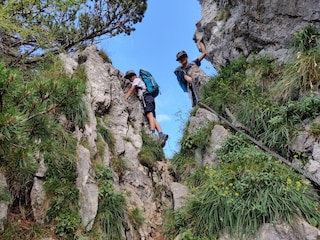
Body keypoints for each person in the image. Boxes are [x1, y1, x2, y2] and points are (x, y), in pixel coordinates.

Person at [124, 70, 168, 147]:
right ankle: (161, 134)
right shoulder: (140, 81)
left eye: (129, 78)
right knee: (152, 117)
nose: (129, 80)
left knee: (149, 115)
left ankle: (152, 133)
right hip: (150, 98)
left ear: (132, 76)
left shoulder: (136, 80)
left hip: (146, 98)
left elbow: (132, 89)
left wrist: (125, 98)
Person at [174, 36, 210, 107]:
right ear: (179, 61)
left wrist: (200, 42)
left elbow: (204, 53)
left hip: (203, 81)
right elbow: (188, 79)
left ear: (186, 57)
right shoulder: (181, 71)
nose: (182, 59)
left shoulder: (193, 63)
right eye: (180, 59)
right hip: (194, 89)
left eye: (183, 57)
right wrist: (195, 79)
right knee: (199, 104)